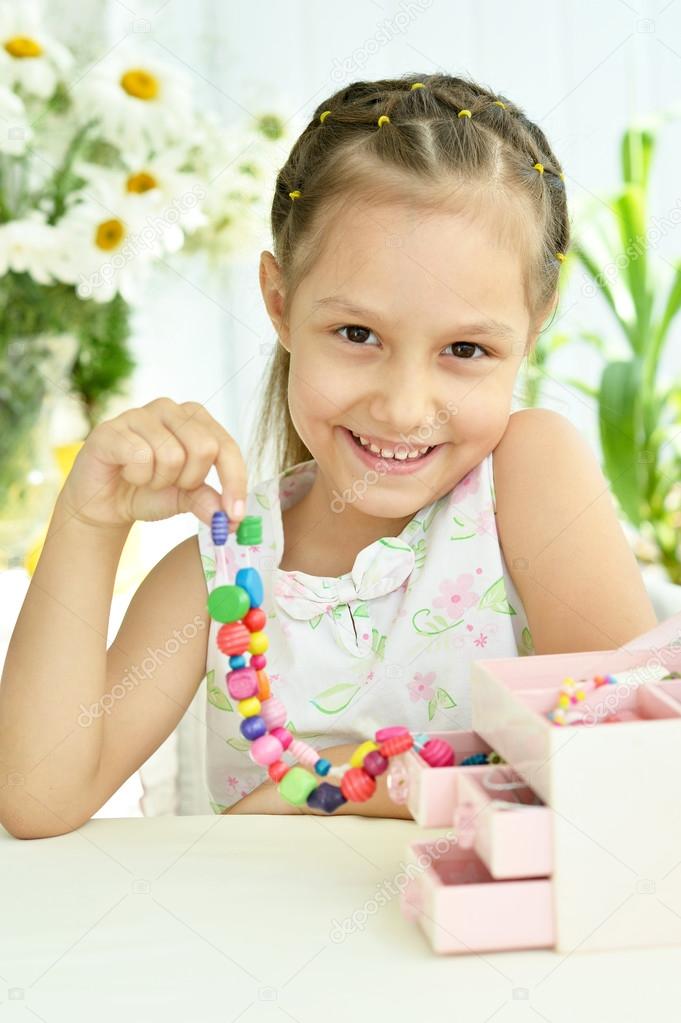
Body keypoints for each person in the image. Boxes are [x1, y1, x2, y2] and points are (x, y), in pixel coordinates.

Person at [0, 73, 657, 836]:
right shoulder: (215, 582)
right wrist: (88, 521)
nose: (403, 406)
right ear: (280, 304)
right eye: (357, 334)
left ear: (534, 327)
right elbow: (36, 800)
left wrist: (323, 787)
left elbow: (625, 755)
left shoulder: (526, 478)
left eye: (464, 349)